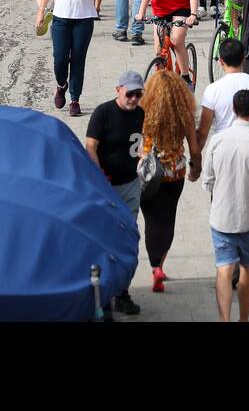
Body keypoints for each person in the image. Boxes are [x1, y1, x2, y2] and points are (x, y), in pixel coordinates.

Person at [201, 87, 249, 321]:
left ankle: (225, 318)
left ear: (233, 110)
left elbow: (208, 180)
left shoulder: (216, 140)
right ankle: (244, 318)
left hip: (221, 217)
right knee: (248, 268)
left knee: (223, 269)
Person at [85, 71, 146, 316]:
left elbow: (142, 144)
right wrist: (99, 175)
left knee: (126, 239)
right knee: (102, 238)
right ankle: (98, 291)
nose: (133, 99)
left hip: (130, 186)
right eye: (129, 93)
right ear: (118, 90)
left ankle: (122, 292)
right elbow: (91, 145)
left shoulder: (141, 114)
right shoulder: (103, 113)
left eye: (138, 94)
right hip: (105, 187)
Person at [139, 69, 201, 293]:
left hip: (149, 175)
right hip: (174, 174)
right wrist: (196, 168)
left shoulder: (143, 111)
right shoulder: (183, 113)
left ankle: (154, 266)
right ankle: (160, 265)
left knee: (151, 221)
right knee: (168, 220)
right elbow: (194, 148)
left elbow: (136, 145)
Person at [36, 0, 102, 118]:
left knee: (78, 60)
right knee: (60, 59)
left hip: (83, 19)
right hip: (61, 18)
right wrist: (41, 12)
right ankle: (61, 85)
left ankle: (75, 99)